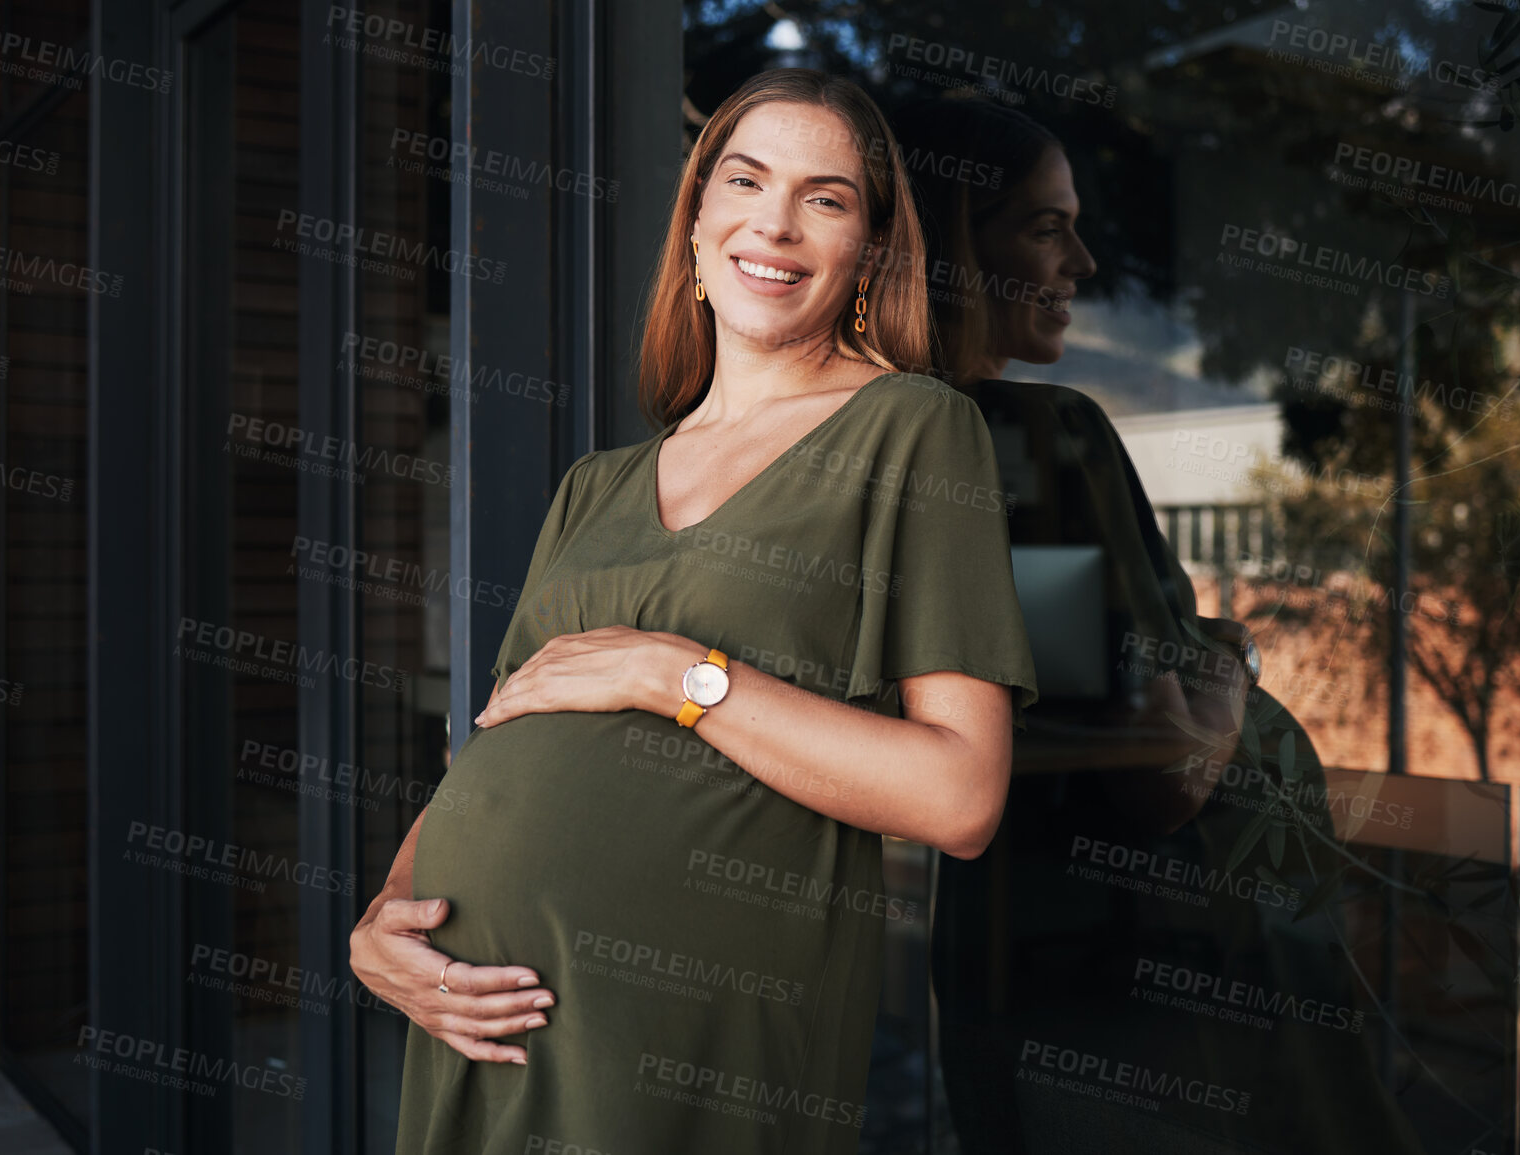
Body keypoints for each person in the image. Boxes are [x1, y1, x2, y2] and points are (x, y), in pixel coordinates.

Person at [348, 70, 1039, 1155]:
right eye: (746, 180)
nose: (776, 221)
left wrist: (675, 676)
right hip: (476, 1013)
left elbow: (960, 794)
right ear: (698, 222)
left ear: (868, 249)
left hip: (686, 1029)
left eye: (827, 197)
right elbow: (497, 735)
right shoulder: (597, 484)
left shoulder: (912, 431)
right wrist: (387, 915)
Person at [893, 98, 1425, 1155]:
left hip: (1031, 959)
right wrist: (1228, 658)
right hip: (1186, 980)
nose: (1082, 262)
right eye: (1045, 228)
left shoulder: (915, 446)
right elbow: (1165, 773)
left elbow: (1059, 677)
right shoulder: (1043, 439)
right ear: (954, 243)